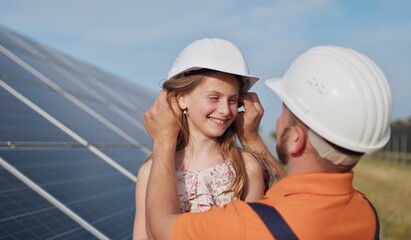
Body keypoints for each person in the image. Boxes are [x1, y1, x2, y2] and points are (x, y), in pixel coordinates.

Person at [143, 45, 391, 239]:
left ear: (296, 139)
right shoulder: (365, 212)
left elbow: (160, 227)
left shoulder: (256, 224)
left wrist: (164, 139)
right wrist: (252, 138)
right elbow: (299, 201)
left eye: (286, 113)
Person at [133, 38, 284, 240]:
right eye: (214, 97)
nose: (224, 110)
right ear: (182, 98)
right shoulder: (150, 172)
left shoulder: (246, 167)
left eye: (232, 100)